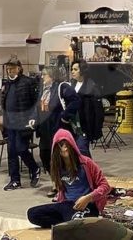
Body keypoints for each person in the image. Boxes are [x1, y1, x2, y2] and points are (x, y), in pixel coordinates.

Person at [26, 129, 111, 228]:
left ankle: (70, 224)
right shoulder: (57, 167)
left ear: (72, 145)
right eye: (61, 145)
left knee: (76, 223)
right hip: (66, 205)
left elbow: (105, 186)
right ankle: (67, 225)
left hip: (87, 205)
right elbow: (61, 191)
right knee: (32, 214)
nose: (65, 148)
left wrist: (88, 198)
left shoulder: (86, 163)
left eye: (67, 145)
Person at [35, 66, 78, 198]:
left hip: (58, 128)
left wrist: (65, 116)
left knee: (60, 157)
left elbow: (75, 101)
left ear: (52, 76)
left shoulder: (62, 87)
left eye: (44, 74)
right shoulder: (43, 89)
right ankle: (55, 182)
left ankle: (62, 186)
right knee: (44, 155)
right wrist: (34, 119)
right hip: (45, 129)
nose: (42, 77)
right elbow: (38, 107)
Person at [2, 58, 40, 191]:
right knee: (11, 152)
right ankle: (15, 180)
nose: (9, 71)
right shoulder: (7, 84)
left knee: (21, 149)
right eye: (8, 69)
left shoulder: (28, 82)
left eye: (12, 68)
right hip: (10, 123)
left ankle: (34, 168)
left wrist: (33, 119)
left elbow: (35, 103)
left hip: (23, 123)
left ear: (19, 68)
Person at [70, 60, 103, 158]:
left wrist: (97, 127)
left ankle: (90, 167)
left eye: (75, 69)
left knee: (82, 150)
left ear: (82, 71)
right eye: (72, 69)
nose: (72, 71)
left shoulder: (91, 86)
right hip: (72, 124)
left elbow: (98, 109)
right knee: (76, 151)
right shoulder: (72, 84)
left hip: (84, 125)